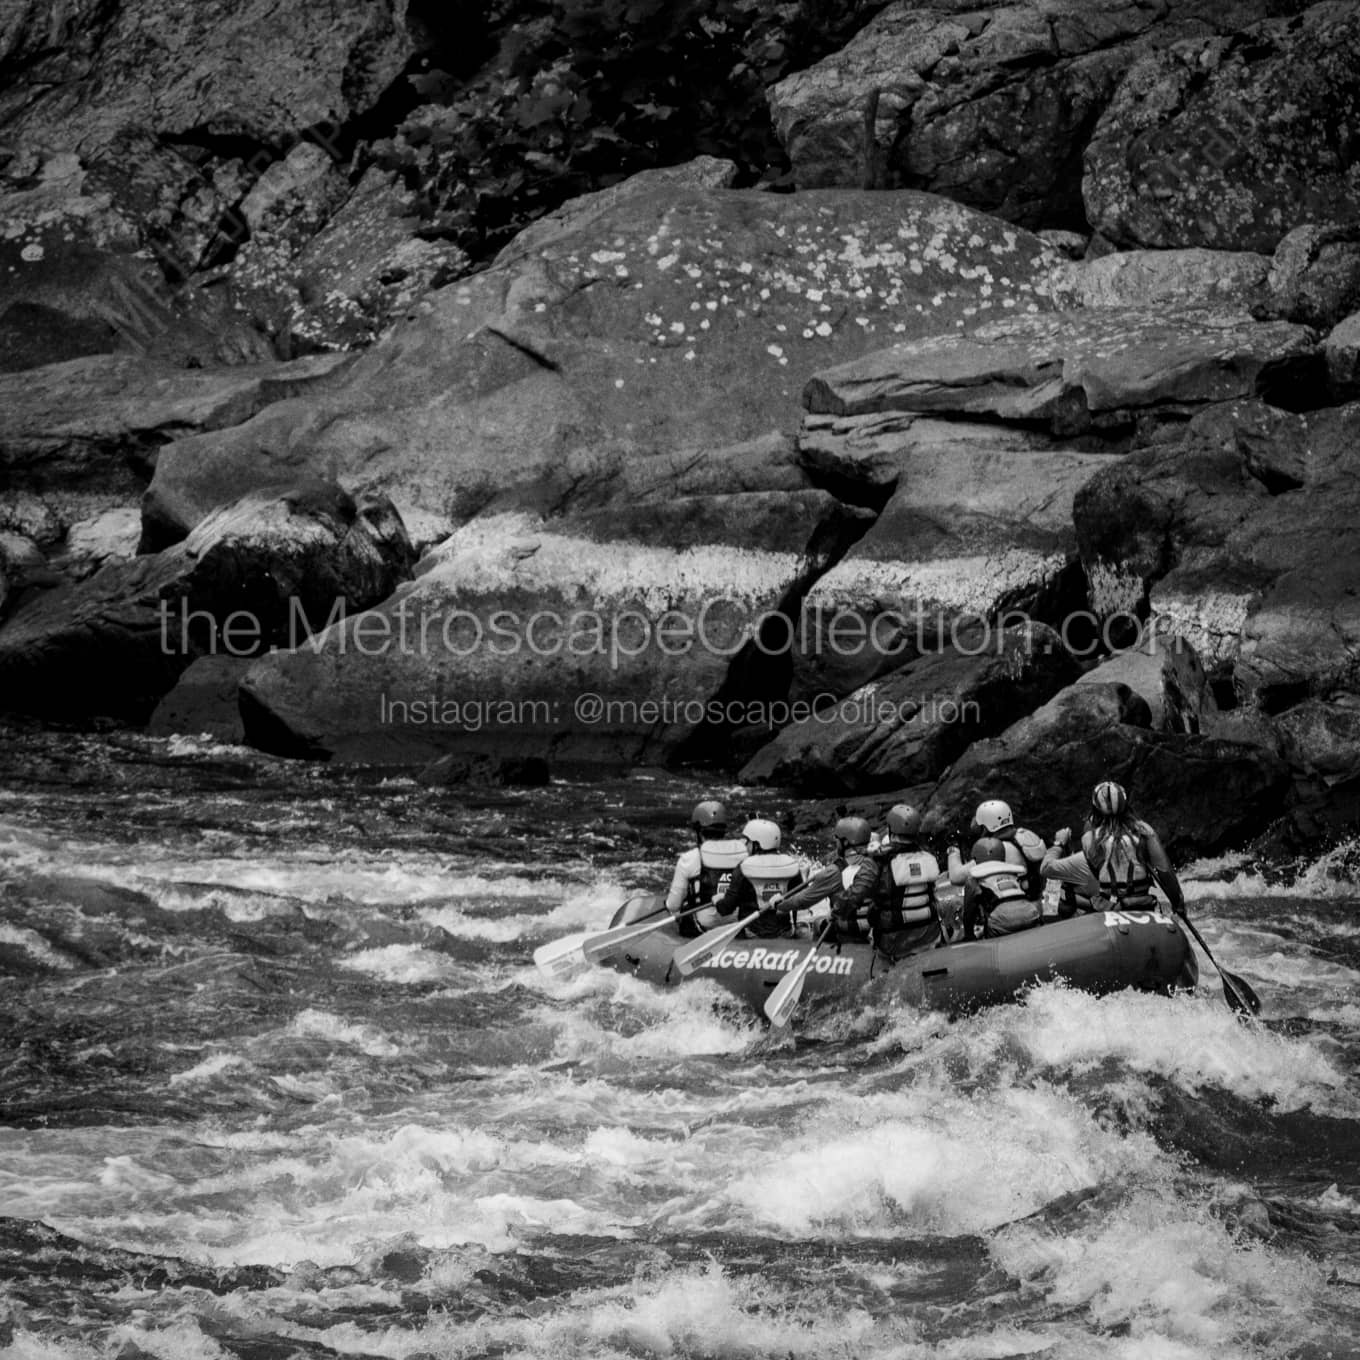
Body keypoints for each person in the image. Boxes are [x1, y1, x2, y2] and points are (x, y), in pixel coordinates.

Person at [1042, 780, 1186, 917]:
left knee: (1060, 887)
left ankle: (1057, 920)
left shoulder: (1090, 838)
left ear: (1095, 811)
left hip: (1110, 906)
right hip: (1143, 904)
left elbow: (1094, 872)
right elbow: (1165, 871)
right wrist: (1178, 904)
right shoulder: (1145, 831)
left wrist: (1060, 844)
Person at [770, 815, 880, 943]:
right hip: (873, 928)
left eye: (837, 839)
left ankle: (824, 953)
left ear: (845, 842)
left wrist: (779, 904)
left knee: (818, 923)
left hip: (848, 931)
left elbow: (803, 901)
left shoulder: (834, 871)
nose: (836, 843)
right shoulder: (877, 861)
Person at [868, 803, 944, 960]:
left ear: (890, 829)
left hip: (894, 942)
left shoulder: (880, 860)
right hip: (930, 934)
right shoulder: (928, 855)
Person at [710, 818, 807, 938]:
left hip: (750, 934)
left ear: (757, 844)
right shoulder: (792, 866)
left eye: (748, 842)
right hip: (785, 933)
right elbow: (802, 901)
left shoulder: (743, 868)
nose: (746, 846)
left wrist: (717, 900)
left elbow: (726, 909)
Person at [664, 799, 748, 936]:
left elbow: (673, 905)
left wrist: (669, 905)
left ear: (698, 831)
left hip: (701, 927)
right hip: (737, 923)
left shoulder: (689, 858)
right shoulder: (743, 853)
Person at [946, 799, 1046, 900]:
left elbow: (956, 877)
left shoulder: (997, 849)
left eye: (981, 828)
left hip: (1013, 904)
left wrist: (953, 849)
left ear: (986, 828)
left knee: (970, 887)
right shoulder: (1025, 837)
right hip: (1036, 900)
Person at [960, 836, 1041, 939]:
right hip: (1030, 912)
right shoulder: (1012, 870)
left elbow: (969, 912)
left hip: (1001, 921)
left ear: (976, 858)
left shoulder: (973, 878)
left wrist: (969, 935)